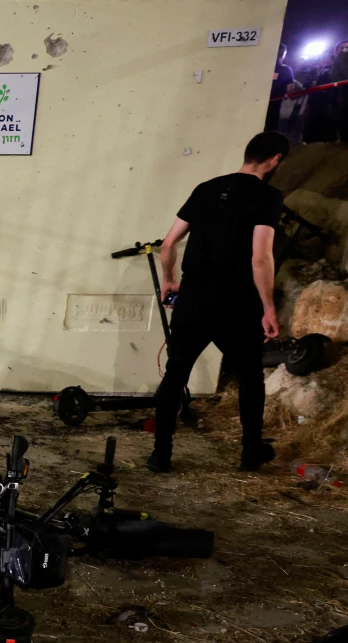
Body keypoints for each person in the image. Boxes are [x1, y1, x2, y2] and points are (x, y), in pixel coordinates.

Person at [149, 131, 290, 475]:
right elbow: (261, 257)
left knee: (175, 374)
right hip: (237, 301)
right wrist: (269, 308)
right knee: (250, 376)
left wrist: (169, 280)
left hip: (194, 296)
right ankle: (250, 453)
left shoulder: (205, 188)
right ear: (275, 160)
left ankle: (160, 455)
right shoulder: (268, 196)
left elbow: (168, 244)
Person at [266, 44, 294, 133]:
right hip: (275, 104)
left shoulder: (263, 67)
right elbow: (290, 90)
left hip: (257, 102)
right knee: (271, 129)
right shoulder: (286, 70)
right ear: (283, 54)